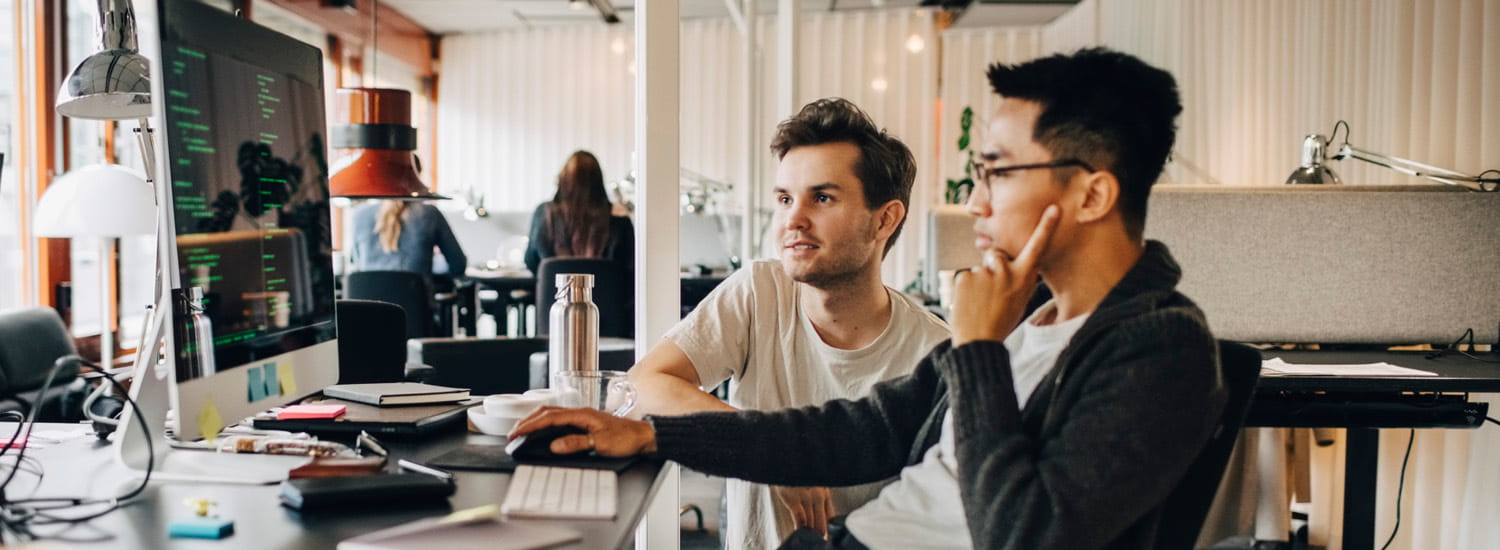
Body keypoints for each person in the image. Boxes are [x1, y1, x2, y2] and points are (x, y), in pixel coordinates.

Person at [512, 48, 1228, 549]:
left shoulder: (1160, 345)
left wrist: (977, 349)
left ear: (1093, 192)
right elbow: (856, 432)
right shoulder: (1037, 321)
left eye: (998, 173)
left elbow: (1027, 534)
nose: (975, 202)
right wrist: (651, 434)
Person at [625, 98, 951, 549]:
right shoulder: (759, 291)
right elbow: (643, 385)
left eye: (822, 197)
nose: (792, 221)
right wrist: (771, 455)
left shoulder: (937, 354)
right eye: (784, 199)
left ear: (885, 219)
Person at [523, 150, 634, 275]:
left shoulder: (544, 213)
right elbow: (629, 268)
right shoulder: (618, 219)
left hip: (552, 293)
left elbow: (531, 262)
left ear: (562, 180)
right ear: (598, 183)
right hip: (605, 293)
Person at [350, 200, 467, 279]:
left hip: (368, 308)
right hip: (414, 306)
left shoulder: (358, 214)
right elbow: (458, 265)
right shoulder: (429, 213)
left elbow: (357, 262)